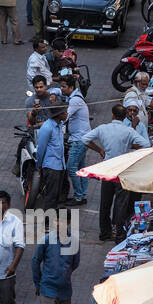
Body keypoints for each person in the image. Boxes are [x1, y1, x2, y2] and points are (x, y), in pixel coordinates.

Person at [82, 106, 146, 240]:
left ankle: (104, 232)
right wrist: (129, 146)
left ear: (112, 115)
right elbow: (145, 144)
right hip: (121, 170)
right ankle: (119, 233)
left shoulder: (102, 128)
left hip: (107, 169)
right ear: (124, 117)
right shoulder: (128, 131)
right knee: (121, 202)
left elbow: (85, 139)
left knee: (105, 202)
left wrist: (99, 150)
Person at [32, 229, 80, 304]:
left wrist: (64, 275)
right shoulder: (46, 240)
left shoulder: (73, 241)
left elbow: (75, 263)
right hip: (48, 291)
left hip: (65, 292)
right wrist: (38, 283)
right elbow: (35, 261)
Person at [60, 73, 90, 205]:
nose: (61, 89)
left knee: (71, 167)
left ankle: (78, 196)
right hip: (82, 138)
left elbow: (64, 117)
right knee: (81, 167)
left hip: (78, 140)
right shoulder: (76, 97)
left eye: (64, 87)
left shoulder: (74, 100)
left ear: (71, 87)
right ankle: (82, 195)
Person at [36, 103, 67, 209]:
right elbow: (41, 149)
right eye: (64, 112)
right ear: (59, 115)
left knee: (56, 195)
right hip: (51, 167)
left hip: (60, 165)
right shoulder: (47, 127)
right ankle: (47, 221)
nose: (66, 113)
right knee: (51, 197)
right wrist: (39, 166)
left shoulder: (60, 125)